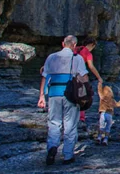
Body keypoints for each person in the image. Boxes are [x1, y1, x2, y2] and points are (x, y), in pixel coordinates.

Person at [38, 35, 89, 166]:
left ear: (63, 44)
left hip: (54, 93)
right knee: (70, 124)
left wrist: (42, 96)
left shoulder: (51, 57)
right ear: (74, 45)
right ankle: (68, 155)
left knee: (54, 122)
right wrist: (86, 95)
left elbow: (45, 77)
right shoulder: (77, 58)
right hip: (71, 94)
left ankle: (52, 147)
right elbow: (84, 77)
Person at [74, 36, 103, 130]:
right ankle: (81, 117)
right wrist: (99, 77)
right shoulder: (87, 53)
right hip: (81, 76)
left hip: (69, 74)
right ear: (91, 45)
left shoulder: (75, 49)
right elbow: (91, 66)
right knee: (82, 96)